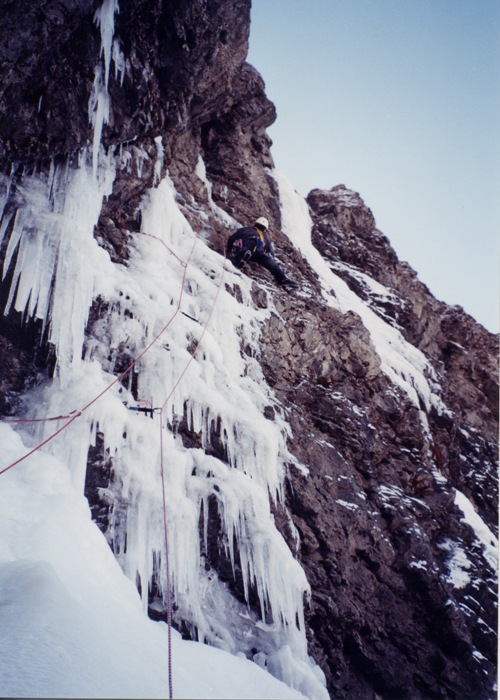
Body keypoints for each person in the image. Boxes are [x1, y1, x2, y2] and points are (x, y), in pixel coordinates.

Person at [226, 217, 298, 290]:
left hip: (245, 249)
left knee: (244, 252)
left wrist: (228, 249)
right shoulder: (265, 238)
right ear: (265, 228)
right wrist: (271, 260)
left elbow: (232, 238)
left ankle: (239, 260)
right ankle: (282, 279)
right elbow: (270, 251)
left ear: (255, 223)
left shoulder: (246, 230)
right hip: (258, 255)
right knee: (271, 264)